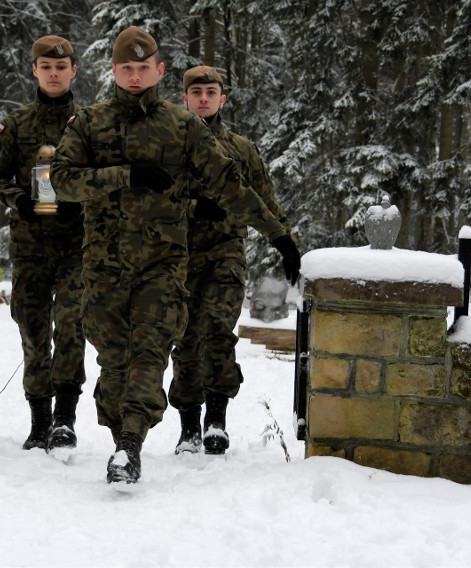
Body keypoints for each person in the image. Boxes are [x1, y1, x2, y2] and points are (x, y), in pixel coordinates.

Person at [50, 27, 301, 484]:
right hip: (104, 267)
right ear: (113, 70)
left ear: (159, 71)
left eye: (143, 68)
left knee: (150, 353)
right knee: (114, 362)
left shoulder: (181, 126)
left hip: (163, 266)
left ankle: (129, 446)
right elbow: (61, 181)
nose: (134, 75)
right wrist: (124, 175)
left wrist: (278, 235)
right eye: (126, 67)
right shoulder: (90, 123)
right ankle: (121, 431)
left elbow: (230, 185)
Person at [169, 65, 294, 456]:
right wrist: (191, 207)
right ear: (184, 98)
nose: (203, 98)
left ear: (222, 98)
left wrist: (286, 240)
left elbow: (264, 200)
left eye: (211, 92)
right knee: (185, 338)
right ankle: (189, 428)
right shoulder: (170, 145)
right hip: (179, 257)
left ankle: (216, 423)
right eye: (196, 92)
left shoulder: (241, 148)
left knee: (218, 333)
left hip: (226, 254)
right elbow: (152, 201)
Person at [0, 35, 86, 452]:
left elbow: (107, 175)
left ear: (74, 70)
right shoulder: (16, 124)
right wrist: (17, 200)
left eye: (61, 66)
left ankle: (64, 419)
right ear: (35, 71)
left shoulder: (90, 122)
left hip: (78, 244)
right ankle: (39, 421)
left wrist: (85, 202)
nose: (54, 73)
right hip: (30, 245)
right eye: (46, 66)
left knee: (73, 324)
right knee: (33, 328)